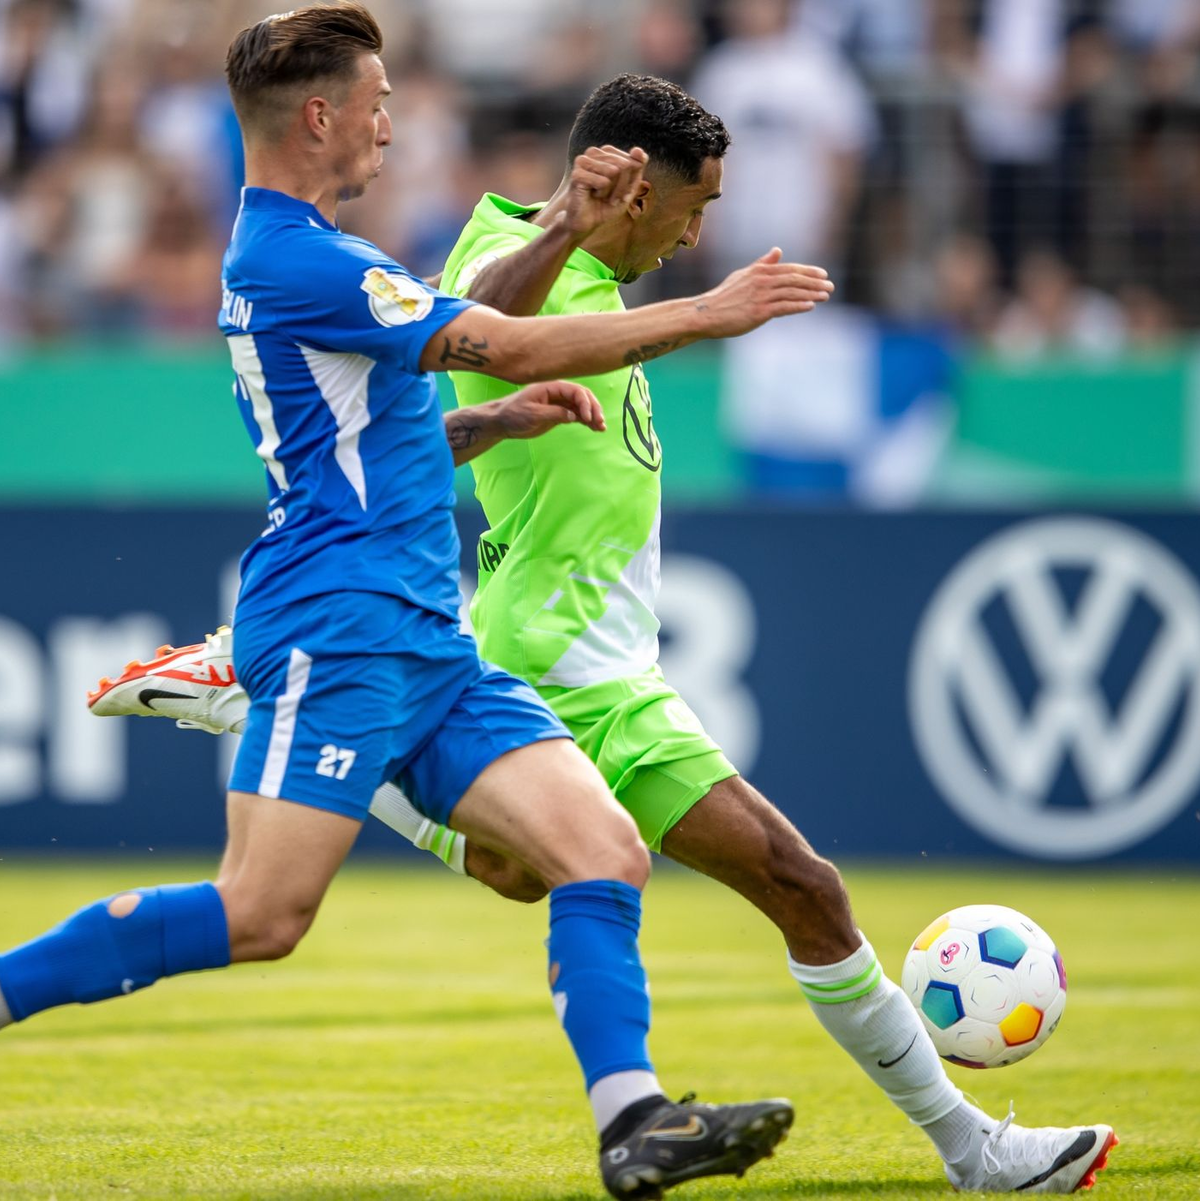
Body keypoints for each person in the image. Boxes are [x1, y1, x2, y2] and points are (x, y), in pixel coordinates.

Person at [84, 63, 1118, 1196]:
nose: (697, 230)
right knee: (765, 880)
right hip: (549, 659)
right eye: (697, 204)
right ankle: (974, 1152)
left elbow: (430, 438)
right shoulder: (506, 262)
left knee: (680, 880)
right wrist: (699, 313)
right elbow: (486, 326)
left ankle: (974, 1152)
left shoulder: (585, 272)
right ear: (637, 195)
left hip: (613, 666)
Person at [0, 8, 850, 1199]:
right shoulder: (304, 259)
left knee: (598, 850)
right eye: (379, 102)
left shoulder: (313, 258)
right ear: (319, 116)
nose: (393, 127)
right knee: (263, 912)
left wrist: (492, 419)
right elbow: (498, 339)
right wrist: (707, 314)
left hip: (424, 637)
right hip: (340, 626)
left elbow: (389, 419)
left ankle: (634, 1120)